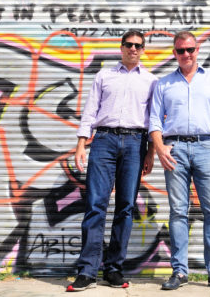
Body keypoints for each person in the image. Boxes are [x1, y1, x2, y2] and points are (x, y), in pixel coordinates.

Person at [67, 30, 157, 292]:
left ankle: (114, 269)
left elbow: (154, 119)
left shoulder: (151, 81)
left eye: (138, 45)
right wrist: (81, 144)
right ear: (121, 47)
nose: (133, 49)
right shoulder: (103, 75)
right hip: (104, 140)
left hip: (136, 143)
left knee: (126, 207)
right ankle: (87, 271)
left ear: (143, 49)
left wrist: (150, 152)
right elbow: (90, 111)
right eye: (128, 44)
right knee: (95, 205)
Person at [149, 31, 210, 291]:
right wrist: (159, 148)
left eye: (190, 49)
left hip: (206, 147)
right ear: (174, 53)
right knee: (178, 211)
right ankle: (179, 272)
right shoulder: (164, 84)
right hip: (174, 149)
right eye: (181, 50)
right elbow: (154, 120)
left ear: (197, 50)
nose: (186, 54)